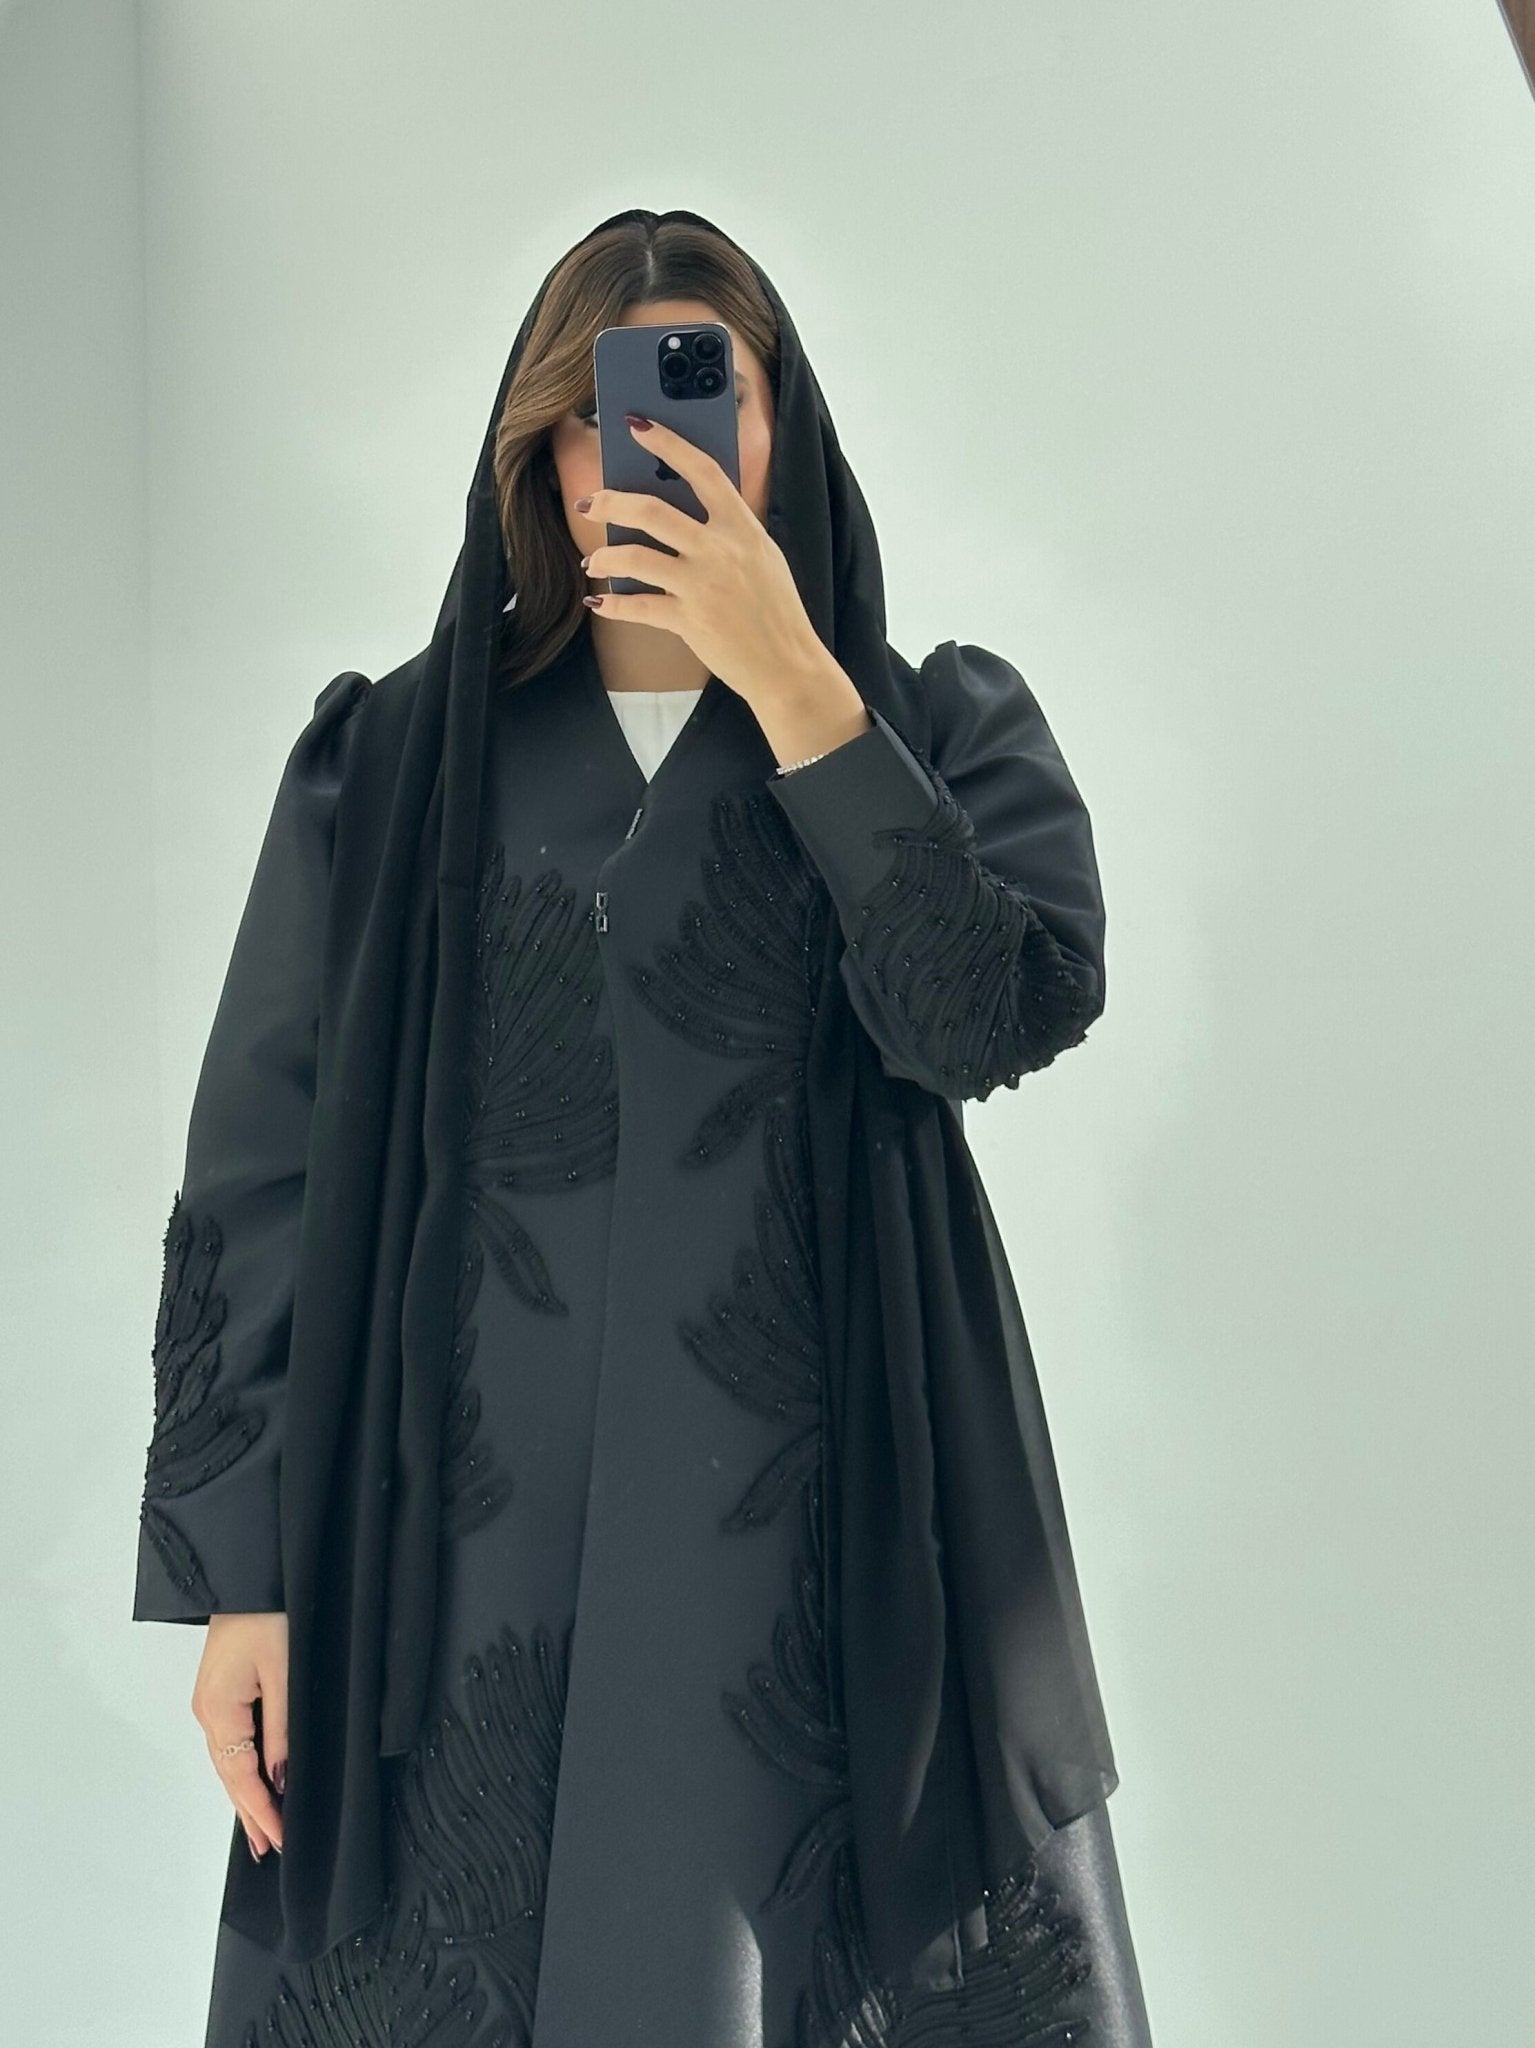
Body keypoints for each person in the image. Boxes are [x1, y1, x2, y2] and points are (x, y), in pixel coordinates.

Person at [133, 206, 1154, 2047]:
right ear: (539, 453)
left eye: (703, 396)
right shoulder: (393, 771)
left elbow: (986, 1016)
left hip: (821, 1554)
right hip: (449, 1560)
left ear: (784, 429)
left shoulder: (930, 731)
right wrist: (242, 1588)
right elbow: (257, 1174)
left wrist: (796, 685)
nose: (643, 455)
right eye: (594, 415)